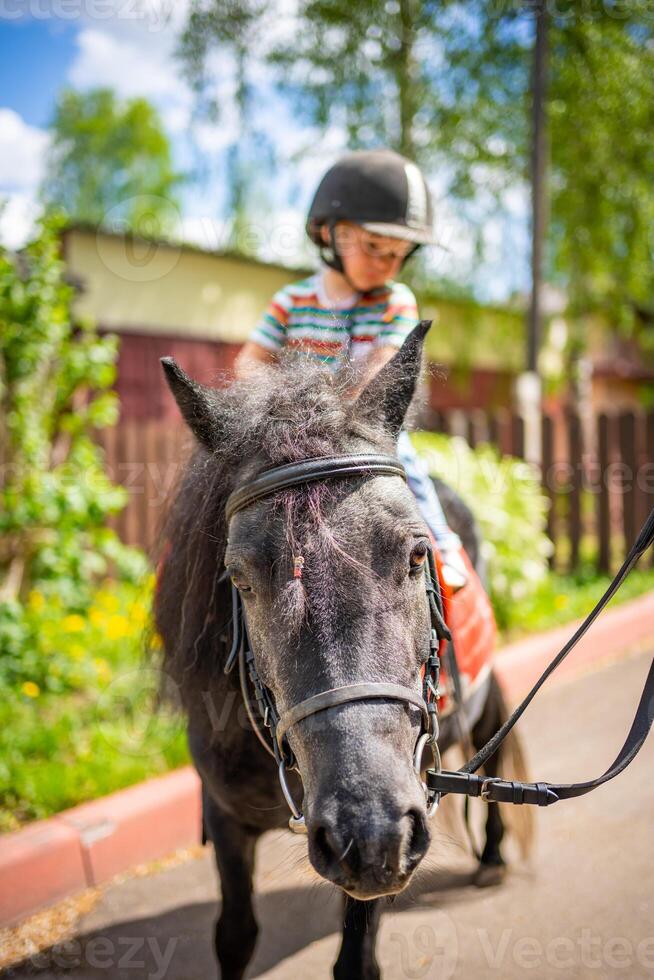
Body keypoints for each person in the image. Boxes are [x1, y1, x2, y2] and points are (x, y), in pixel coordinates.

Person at [235, 148, 467, 589]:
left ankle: (443, 541)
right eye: (375, 247)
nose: (387, 264)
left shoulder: (395, 300)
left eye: (400, 254)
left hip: (364, 425)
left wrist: (342, 407)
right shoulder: (290, 301)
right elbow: (251, 361)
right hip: (299, 428)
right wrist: (276, 400)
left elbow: (383, 367)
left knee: (407, 462)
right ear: (329, 233)